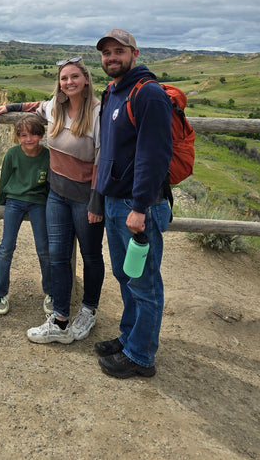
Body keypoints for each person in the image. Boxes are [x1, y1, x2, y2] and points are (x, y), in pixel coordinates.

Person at [0, 56, 104, 344]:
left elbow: (103, 159)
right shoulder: (55, 106)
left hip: (84, 197)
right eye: (64, 78)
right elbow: (33, 107)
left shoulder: (98, 112)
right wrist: (9, 108)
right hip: (56, 195)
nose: (69, 82)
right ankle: (60, 319)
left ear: (86, 79)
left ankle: (88, 310)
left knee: (90, 256)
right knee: (58, 255)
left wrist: (97, 201)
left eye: (74, 77)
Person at [94, 28, 173, 378]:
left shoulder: (149, 94)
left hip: (138, 205)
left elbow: (154, 157)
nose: (112, 57)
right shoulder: (112, 92)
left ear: (135, 53)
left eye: (118, 51)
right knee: (125, 276)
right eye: (106, 52)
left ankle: (141, 356)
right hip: (115, 201)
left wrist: (140, 207)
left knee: (144, 282)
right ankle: (129, 338)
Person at [0, 114, 52, 316]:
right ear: (17, 136)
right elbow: (5, 178)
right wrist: (1, 203)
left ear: (41, 135)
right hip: (14, 201)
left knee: (44, 248)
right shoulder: (12, 154)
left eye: (34, 135)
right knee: (7, 246)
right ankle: (0, 292)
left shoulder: (48, 156)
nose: (29, 139)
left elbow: (51, 184)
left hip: (38, 202)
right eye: (24, 135)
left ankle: (51, 292)